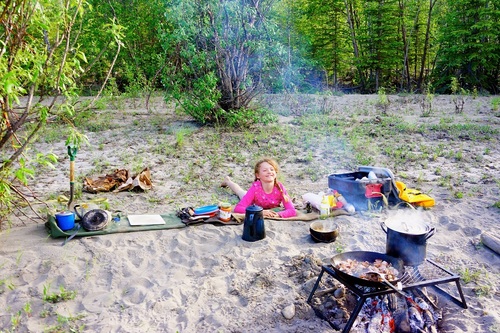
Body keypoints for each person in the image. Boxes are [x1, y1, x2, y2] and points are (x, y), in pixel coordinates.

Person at [221, 158, 297, 218]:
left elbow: (292, 210)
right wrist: (260, 212)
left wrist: (278, 215)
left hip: (267, 205)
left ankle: (228, 181)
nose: (269, 172)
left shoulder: (280, 188)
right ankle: (228, 182)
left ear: (275, 173)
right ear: (258, 175)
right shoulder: (255, 188)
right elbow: (238, 208)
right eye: (264, 170)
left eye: (271, 169)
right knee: (240, 192)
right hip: (252, 202)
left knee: (241, 191)